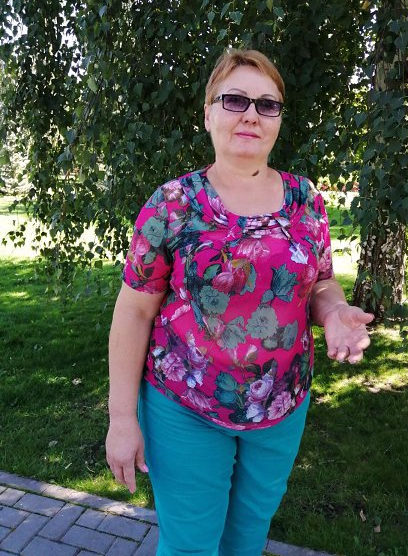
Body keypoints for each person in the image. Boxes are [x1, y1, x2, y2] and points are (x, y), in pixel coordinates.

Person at [106, 49, 374, 556]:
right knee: (191, 548)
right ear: (208, 114)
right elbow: (134, 312)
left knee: (247, 541)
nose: (251, 114)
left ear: (278, 121)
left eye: (266, 104)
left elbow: (320, 283)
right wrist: (122, 418)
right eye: (235, 100)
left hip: (282, 408)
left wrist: (336, 312)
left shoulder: (305, 200)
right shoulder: (172, 205)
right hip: (185, 408)